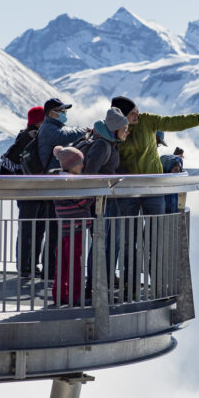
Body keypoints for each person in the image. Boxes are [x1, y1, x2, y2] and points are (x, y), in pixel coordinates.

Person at [110, 95, 199, 216]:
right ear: (122, 115)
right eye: (132, 113)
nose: (137, 114)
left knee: (156, 227)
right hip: (128, 186)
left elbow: (172, 122)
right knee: (128, 229)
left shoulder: (147, 120)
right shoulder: (114, 129)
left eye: (137, 110)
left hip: (153, 184)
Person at [36, 98, 88, 279]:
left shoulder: (52, 127)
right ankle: (50, 271)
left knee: (55, 230)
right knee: (54, 231)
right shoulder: (50, 129)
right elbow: (66, 137)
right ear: (51, 112)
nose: (64, 114)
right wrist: (84, 130)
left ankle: (52, 271)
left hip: (55, 184)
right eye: (61, 110)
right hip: (53, 185)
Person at [80, 107, 129, 294]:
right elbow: (91, 174)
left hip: (105, 200)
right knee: (100, 241)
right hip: (99, 202)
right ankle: (93, 285)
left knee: (103, 241)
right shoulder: (102, 146)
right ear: (115, 129)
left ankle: (98, 283)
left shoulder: (108, 143)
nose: (127, 132)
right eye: (124, 129)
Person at [0, 106, 46, 277]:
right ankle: (28, 266)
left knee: (29, 228)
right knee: (33, 229)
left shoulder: (25, 137)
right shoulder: (30, 139)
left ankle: (27, 265)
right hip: (33, 189)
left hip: (27, 189)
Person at [51, 146, 93, 305]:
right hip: (76, 225)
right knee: (75, 262)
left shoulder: (57, 179)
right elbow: (83, 201)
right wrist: (91, 197)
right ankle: (75, 296)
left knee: (62, 260)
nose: (82, 166)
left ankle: (59, 293)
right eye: (79, 163)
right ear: (71, 164)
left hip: (64, 226)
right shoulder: (71, 182)